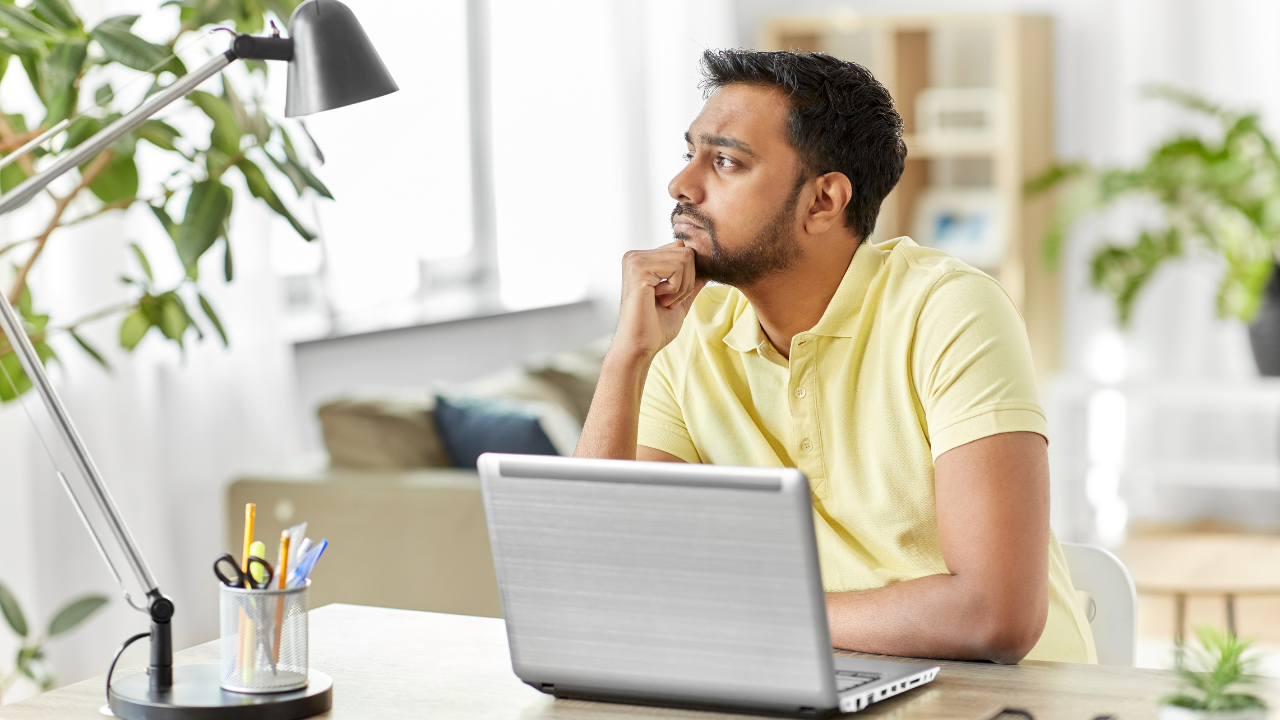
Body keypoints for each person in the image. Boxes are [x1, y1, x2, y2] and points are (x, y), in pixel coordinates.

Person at [574, 49, 1096, 664]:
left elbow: (993, 616)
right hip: (817, 680)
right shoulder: (686, 331)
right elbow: (597, 579)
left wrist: (757, 616)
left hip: (1005, 697)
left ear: (823, 201)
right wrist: (626, 357)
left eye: (725, 162)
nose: (681, 186)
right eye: (688, 154)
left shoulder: (950, 309)